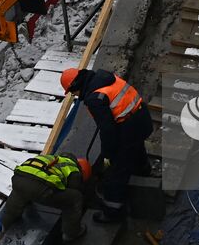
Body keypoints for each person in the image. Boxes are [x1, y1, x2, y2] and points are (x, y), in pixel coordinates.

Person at [61, 68, 153, 223]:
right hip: (141, 116)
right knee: (135, 147)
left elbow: (107, 130)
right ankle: (143, 171)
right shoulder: (103, 77)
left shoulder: (94, 98)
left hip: (130, 125)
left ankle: (112, 211)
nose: (74, 95)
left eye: (72, 92)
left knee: (118, 170)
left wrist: (108, 154)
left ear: (76, 85)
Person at [1, 153, 93, 242]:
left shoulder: (54, 158)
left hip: (19, 177)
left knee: (16, 199)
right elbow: (73, 189)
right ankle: (71, 233)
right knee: (75, 198)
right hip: (40, 187)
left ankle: (6, 224)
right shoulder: (74, 171)